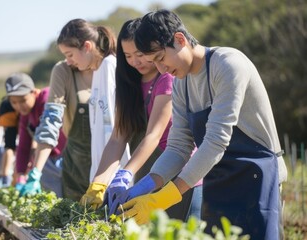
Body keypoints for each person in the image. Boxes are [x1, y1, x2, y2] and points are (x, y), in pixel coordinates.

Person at [117, 9, 288, 240]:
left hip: (257, 178)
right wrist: (144, 186)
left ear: (180, 40)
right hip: (217, 181)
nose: (161, 69)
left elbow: (216, 141)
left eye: (160, 58)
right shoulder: (181, 85)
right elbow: (178, 148)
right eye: (153, 63)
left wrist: (165, 197)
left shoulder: (228, 65)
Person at [83, 19, 202, 221]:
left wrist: (126, 172)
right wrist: (98, 183)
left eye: (140, 55)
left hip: (178, 175)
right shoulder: (129, 83)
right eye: (128, 56)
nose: (135, 62)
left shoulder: (167, 78)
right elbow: (118, 137)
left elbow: (153, 135)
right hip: (145, 175)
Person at [23, 18, 130, 201]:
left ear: (87, 46)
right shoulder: (64, 71)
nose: (68, 61)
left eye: (70, 54)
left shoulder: (108, 68)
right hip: (78, 162)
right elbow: (51, 120)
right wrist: (36, 172)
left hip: (111, 159)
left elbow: (118, 127)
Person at [5, 72, 66, 197]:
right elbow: (23, 145)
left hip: (67, 155)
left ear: (33, 92)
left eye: (23, 100)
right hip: (49, 160)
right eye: (14, 102)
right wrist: (21, 174)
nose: (19, 106)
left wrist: (35, 172)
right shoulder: (25, 114)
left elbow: (48, 131)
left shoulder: (47, 98)